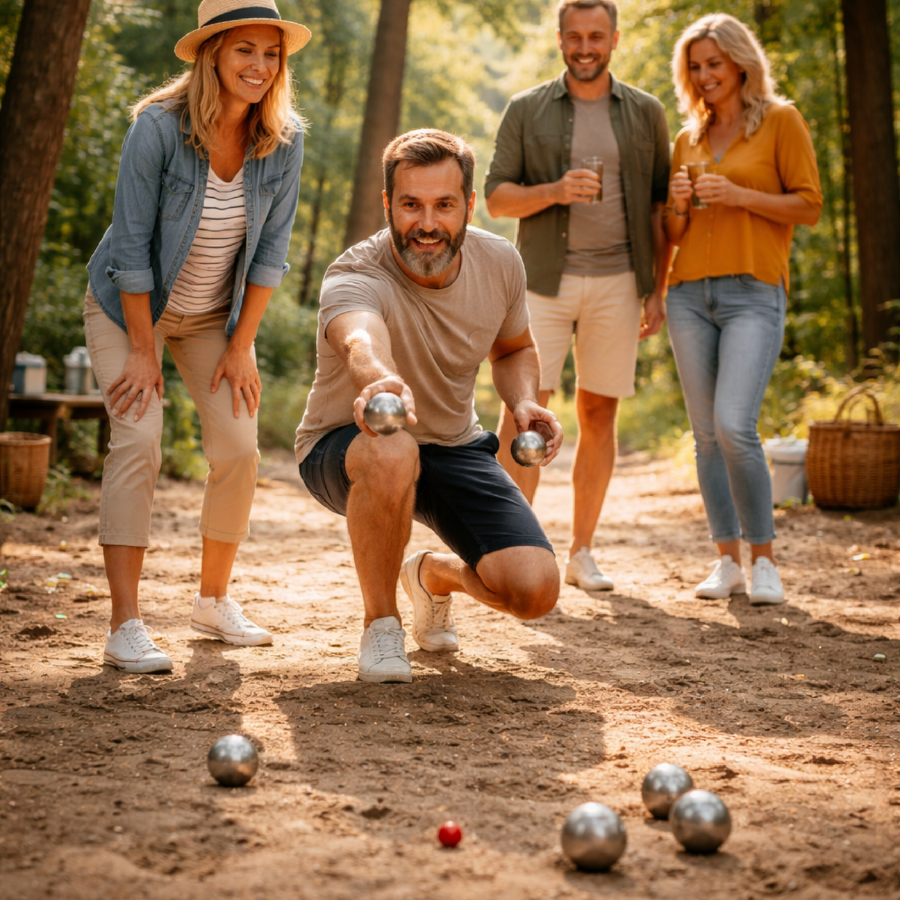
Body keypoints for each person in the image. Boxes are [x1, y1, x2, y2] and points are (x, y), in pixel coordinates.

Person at [84, 0, 310, 673]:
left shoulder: (284, 139)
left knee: (240, 444)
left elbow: (272, 253)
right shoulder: (157, 129)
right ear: (213, 52)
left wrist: (242, 346)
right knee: (138, 436)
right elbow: (129, 247)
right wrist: (144, 349)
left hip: (212, 319)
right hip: (129, 311)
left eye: (271, 54)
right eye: (245, 50)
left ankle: (212, 602)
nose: (260, 67)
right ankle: (124, 624)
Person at [295, 129, 563, 684]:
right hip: (347, 445)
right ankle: (382, 626)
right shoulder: (355, 272)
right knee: (392, 445)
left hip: (452, 445)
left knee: (534, 591)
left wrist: (524, 401)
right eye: (411, 204)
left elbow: (514, 348)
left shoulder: (500, 262)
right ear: (388, 204)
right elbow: (358, 339)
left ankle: (433, 577)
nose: (427, 223)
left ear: (467, 205)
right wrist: (379, 377)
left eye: (444, 205)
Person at [484, 0, 672, 593]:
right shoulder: (527, 108)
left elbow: (662, 206)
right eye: (574, 36)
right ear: (560, 39)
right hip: (542, 280)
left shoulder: (646, 112)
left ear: (614, 39)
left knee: (598, 413)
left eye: (596, 36)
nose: (584, 46)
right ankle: (509, 543)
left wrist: (657, 290)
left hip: (620, 280)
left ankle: (582, 551)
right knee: (525, 411)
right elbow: (495, 199)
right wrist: (556, 190)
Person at [663, 14, 822, 605]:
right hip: (688, 295)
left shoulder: (781, 121)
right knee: (706, 436)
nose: (705, 76)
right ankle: (726, 560)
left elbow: (808, 206)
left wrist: (741, 196)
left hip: (754, 291)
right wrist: (676, 204)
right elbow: (674, 232)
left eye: (714, 64)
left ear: (740, 64)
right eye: (695, 67)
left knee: (735, 426)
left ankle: (764, 560)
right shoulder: (688, 138)